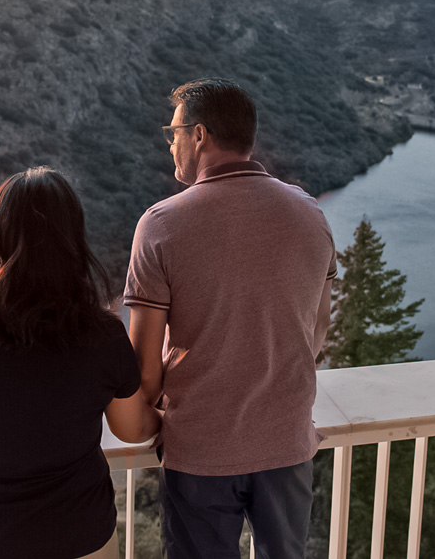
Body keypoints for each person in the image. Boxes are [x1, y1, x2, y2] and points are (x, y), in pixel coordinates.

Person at [0, 167, 161, 559]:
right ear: (73, 241)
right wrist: (164, 418)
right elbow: (132, 428)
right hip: (81, 538)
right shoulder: (102, 335)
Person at [124, 78, 335, 559]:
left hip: (200, 450)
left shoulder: (160, 225)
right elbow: (317, 329)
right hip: (287, 444)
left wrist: (152, 412)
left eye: (173, 132)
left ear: (199, 136)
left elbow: (143, 371)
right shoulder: (310, 214)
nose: (171, 143)